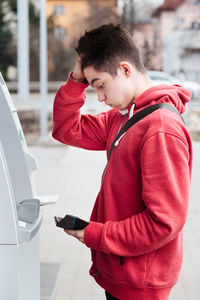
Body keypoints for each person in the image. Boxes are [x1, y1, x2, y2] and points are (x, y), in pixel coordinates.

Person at [52, 24, 193, 300]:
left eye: (101, 85)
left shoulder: (160, 129)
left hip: (140, 283)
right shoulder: (124, 117)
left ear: (126, 70)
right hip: (124, 273)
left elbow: (163, 223)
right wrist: (77, 80)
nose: (100, 98)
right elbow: (66, 128)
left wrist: (94, 233)